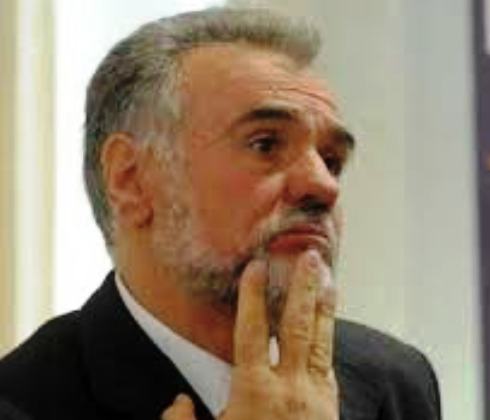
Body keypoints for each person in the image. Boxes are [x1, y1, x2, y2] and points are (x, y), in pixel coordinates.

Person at [0, 7, 441, 420]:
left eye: (331, 160)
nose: (323, 186)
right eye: (265, 144)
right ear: (131, 180)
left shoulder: (395, 384)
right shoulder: (23, 400)